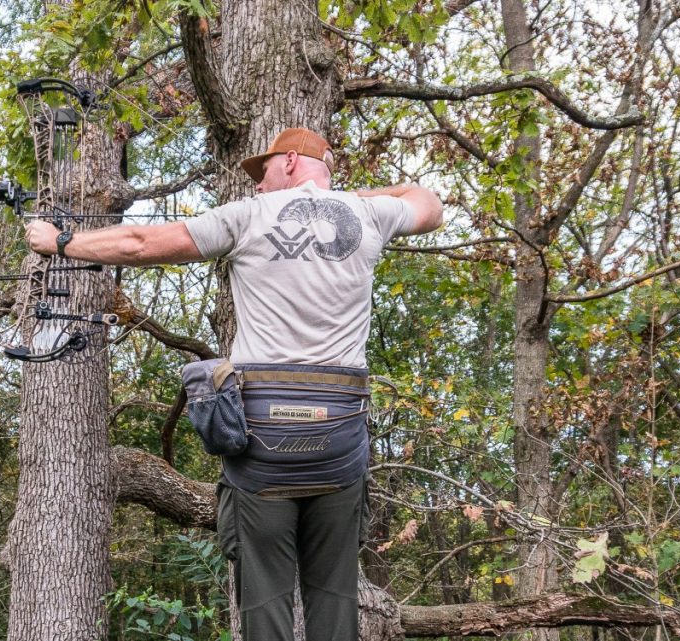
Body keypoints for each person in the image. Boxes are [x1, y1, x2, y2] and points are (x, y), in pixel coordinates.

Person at [26, 127, 443, 640]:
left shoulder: (249, 215)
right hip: (339, 440)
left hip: (263, 442)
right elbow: (428, 202)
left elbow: (139, 243)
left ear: (290, 161)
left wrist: (62, 241)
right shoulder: (372, 216)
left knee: (264, 599)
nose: (260, 185)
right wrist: (341, 199)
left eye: (264, 171)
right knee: (334, 594)